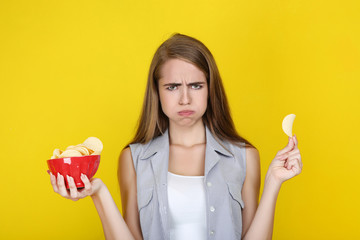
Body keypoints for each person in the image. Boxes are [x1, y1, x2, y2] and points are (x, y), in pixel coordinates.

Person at [49, 33, 302, 240]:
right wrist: (98, 192)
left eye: (196, 86)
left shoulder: (244, 155)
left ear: (210, 89)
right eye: (172, 87)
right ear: (157, 92)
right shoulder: (134, 158)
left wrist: (274, 182)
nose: (185, 99)